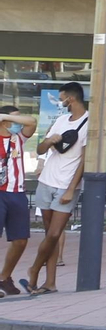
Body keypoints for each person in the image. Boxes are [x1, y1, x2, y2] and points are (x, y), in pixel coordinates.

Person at [24, 82, 91, 296]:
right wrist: (49, 140)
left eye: (61, 98)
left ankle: (34, 269)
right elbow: (41, 147)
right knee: (48, 233)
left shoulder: (89, 122)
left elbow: (84, 160)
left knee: (54, 234)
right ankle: (50, 282)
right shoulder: (61, 120)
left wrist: (72, 188)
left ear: (70, 99)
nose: (60, 102)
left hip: (66, 185)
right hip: (47, 181)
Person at [0, 105, 39, 297]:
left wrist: (7, 116)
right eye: (14, 120)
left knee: (21, 239)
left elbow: (32, 122)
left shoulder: (18, 138)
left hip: (16, 192)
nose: (19, 123)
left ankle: (4, 278)